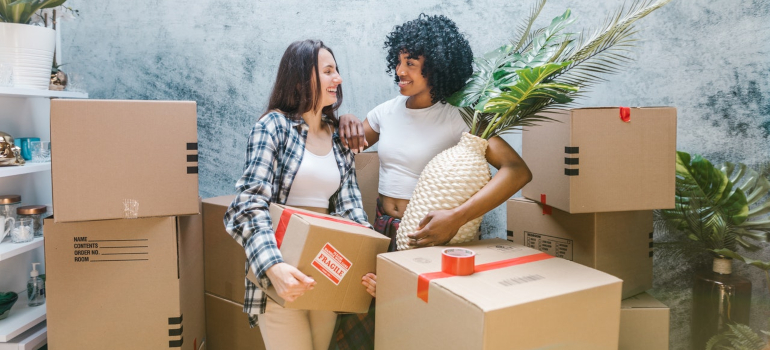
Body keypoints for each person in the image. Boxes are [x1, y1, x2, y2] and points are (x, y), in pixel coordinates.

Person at [332, 14, 533, 349]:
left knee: (417, 331)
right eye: (398, 61)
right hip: (382, 231)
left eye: (411, 63)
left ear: (438, 66)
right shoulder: (387, 112)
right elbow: (344, 146)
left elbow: (517, 171)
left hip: (430, 239)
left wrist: (457, 217)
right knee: (363, 329)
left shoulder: (460, 117)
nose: (400, 71)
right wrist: (347, 119)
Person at [224, 39, 372, 350]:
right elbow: (248, 205)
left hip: (326, 270)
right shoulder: (272, 127)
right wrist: (272, 268)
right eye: (328, 70)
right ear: (302, 78)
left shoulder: (338, 139)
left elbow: (351, 211)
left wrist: (368, 265)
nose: (338, 78)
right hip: (281, 270)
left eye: (337, 70)